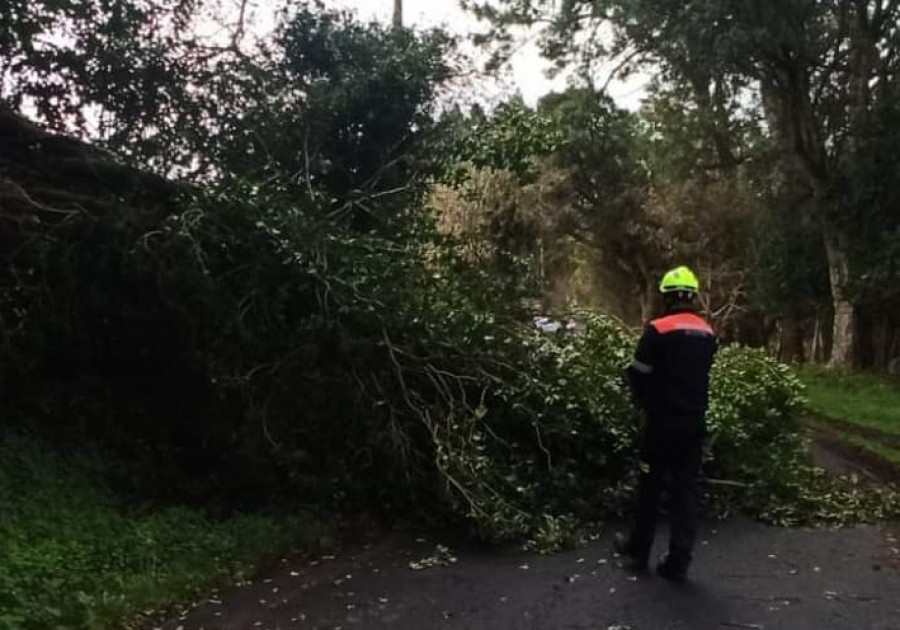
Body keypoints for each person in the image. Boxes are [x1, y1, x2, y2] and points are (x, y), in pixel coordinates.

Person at [615, 265, 718, 582]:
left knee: (650, 487)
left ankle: (638, 552)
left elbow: (638, 372)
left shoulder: (658, 329)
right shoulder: (707, 333)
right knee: (685, 491)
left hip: (661, 424)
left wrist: (645, 405)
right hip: (694, 423)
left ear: (668, 297)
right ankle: (678, 561)